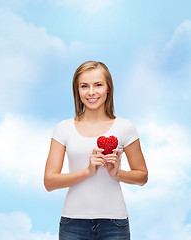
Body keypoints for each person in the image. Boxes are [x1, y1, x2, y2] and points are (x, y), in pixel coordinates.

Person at [44, 61, 148, 240]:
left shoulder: (125, 127)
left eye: (98, 85)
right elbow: (49, 182)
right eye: (84, 86)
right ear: (77, 90)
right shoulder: (63, 128)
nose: (91, 92)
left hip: (115, 223)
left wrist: (117, 174)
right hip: (73, 223)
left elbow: (142, 177)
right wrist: (87, 171)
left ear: (108, 88)